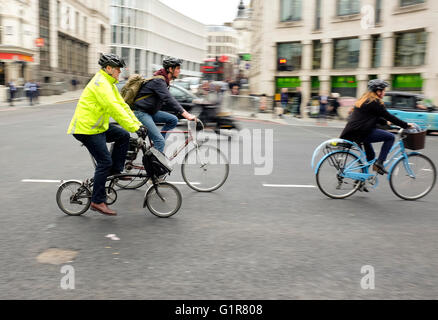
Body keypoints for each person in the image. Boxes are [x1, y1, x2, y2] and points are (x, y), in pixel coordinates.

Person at [67, 53, 143, 216]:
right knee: (104, 162)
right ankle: (97, 201)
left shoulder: (109, 84)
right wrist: (134, 127)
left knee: (123, 135)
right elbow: (114, 109)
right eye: (117, 69)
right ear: (108, 68)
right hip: (86, 129)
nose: (120, 72)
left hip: (98, 127)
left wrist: (137, 124)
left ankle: (116, 171)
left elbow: (122, 105)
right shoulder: (100, 84)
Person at [340, 79, 414, 175]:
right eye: (383, 90)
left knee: (370, 157)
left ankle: (361, 180)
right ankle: (380, 163)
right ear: (378, 91)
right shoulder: (375, 102)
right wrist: (406, 125)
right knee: (390, 137)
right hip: (361, 132)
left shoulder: (365, 100)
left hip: (354, 132)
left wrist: (385, 123)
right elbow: (388, 116)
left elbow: (371, 116)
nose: (384, 92)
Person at [131, 57, 196, 153]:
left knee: (173, 120)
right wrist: (186, 114)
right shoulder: (159, 81)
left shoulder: (164, 81)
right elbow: (169, 99)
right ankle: (153, 164)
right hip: (141, 113)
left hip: (150, 112)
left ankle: (157, 145)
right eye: (177, 68)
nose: (179, 71)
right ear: (170, 69)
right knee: (160, 142)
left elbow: (168, 101)